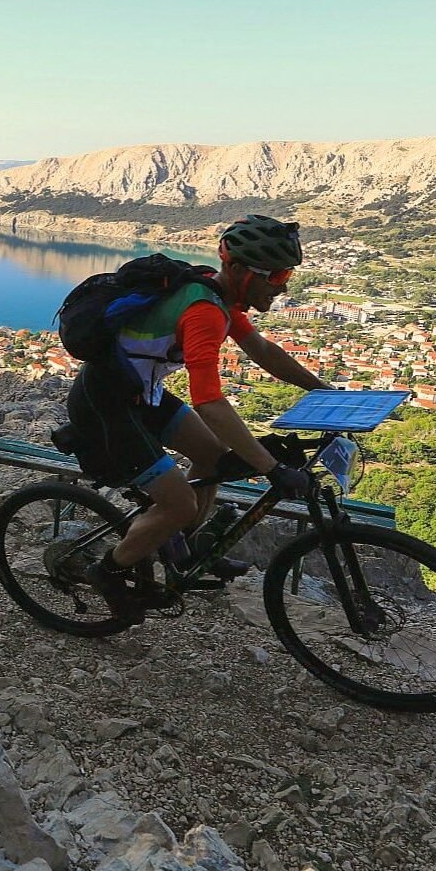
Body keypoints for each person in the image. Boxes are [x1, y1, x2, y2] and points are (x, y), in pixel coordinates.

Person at [66, 214, 332, 620]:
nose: (283, 286)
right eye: (275, 276)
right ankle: (107, 571)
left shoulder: (217, 297)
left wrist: (325, 392)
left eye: (287, 275)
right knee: (179, 504)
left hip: (142, 395)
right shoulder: (205, 311)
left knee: (213, 457)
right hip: (107, 406)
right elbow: (209, 402)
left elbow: (262, 351)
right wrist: (271, 468)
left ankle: (185, 552)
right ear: (240, 271)